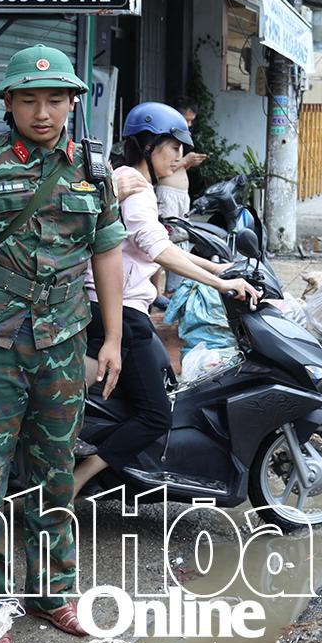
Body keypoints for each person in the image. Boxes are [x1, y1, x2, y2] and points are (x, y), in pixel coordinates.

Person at [0, 44, 126, 643]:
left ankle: (52, 590)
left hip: (63, 344)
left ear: (73, 102)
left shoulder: (92, 169)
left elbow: (107, 251)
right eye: (29, 99)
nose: (43, 112)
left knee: (55, 474)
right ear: (9, 102)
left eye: (55, 99)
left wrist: (113, 337)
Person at [71, 103, 261, 496]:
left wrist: (219, 269)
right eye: (172, 146)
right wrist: (219, 283)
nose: (178, 156)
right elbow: (156, 248)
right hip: (117, 310)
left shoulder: (130, 179)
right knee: (157, 416)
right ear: (147, 143)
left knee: (159, 382)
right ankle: (77, 479)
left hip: (117, 306)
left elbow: (158, 243)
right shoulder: (135, 186)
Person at [154, 99, 208, 220]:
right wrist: (185, 160)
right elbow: (163, 168)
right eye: (186, 119)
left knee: (183, 234)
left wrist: (188, 163)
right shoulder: (164, 139)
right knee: (170, 232)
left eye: (191, 121)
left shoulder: (180, 139)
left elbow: (176, 168)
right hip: (168, 193)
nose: (189, 124)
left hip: (182, 194)